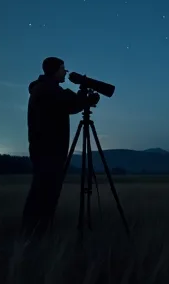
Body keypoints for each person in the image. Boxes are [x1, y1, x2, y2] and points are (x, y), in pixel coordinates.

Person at [21, 56, 100, 240]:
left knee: (43, 191)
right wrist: (85, 97)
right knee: (44, 192)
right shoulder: (47, 90)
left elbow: (68, 103)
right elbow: (69, 104)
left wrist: (83, 98)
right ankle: (35, 232)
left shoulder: (45, 89)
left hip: (46, 149)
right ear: (55, 70)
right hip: (49, 150)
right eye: (63, 69)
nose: (65, 72)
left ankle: (37, 231)